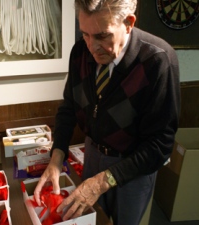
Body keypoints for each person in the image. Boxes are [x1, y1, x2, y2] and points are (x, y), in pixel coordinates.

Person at [34, 0, 181, 224]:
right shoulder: (80, 52)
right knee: (89, 221)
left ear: (129, 23)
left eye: (103, 36)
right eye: (85, 34)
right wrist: (57, 157)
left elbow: (160, 145)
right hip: (92, 154)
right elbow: (69, 108)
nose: (92, 47)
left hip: (134, 166)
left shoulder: (158, 60)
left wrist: (101, 182)